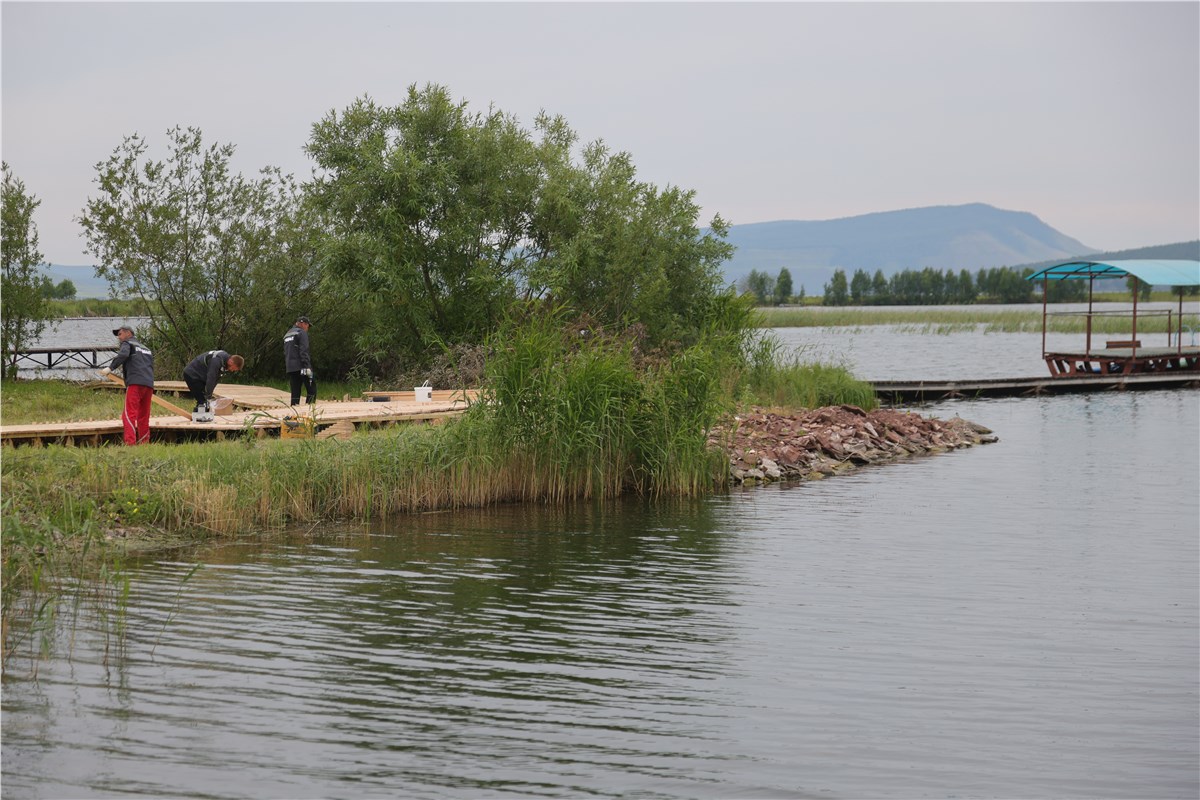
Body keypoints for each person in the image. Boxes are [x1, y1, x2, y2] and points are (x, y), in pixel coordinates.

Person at [100, 325, 155, 445]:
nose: (119, 338)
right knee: (143, 416)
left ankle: (130, 443)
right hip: (149, 384)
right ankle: (144, 443)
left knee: (129, 415)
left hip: (135, 383)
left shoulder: (127, 343)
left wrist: (110, 367)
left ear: (128, 333)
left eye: (120, 334)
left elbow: (123, 355)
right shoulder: (146, 348)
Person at [182, 349, 244, 413]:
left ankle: (200, 416)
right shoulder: (217, 361)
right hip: (191, 375)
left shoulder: (224, 362)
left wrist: (209, 395)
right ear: (231, 362)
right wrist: (208, 397)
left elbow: (215, 380)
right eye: (233, 368)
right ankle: (199, 417)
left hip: (200, 376)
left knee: (204, 401)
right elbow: (211, 378)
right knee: (202, 401)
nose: (232, 370)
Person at [283, 315, 315, 405]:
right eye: (307, 326)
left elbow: (286, 352)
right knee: (312, 389)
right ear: (303, 324)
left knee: (295, 393)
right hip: (302, 367)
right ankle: (310, 412)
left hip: (290, 367)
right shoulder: (301, 333)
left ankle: (294, 412)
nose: (307, 329)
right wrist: (307, 366)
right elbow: (304, 351)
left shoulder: (287, 334)